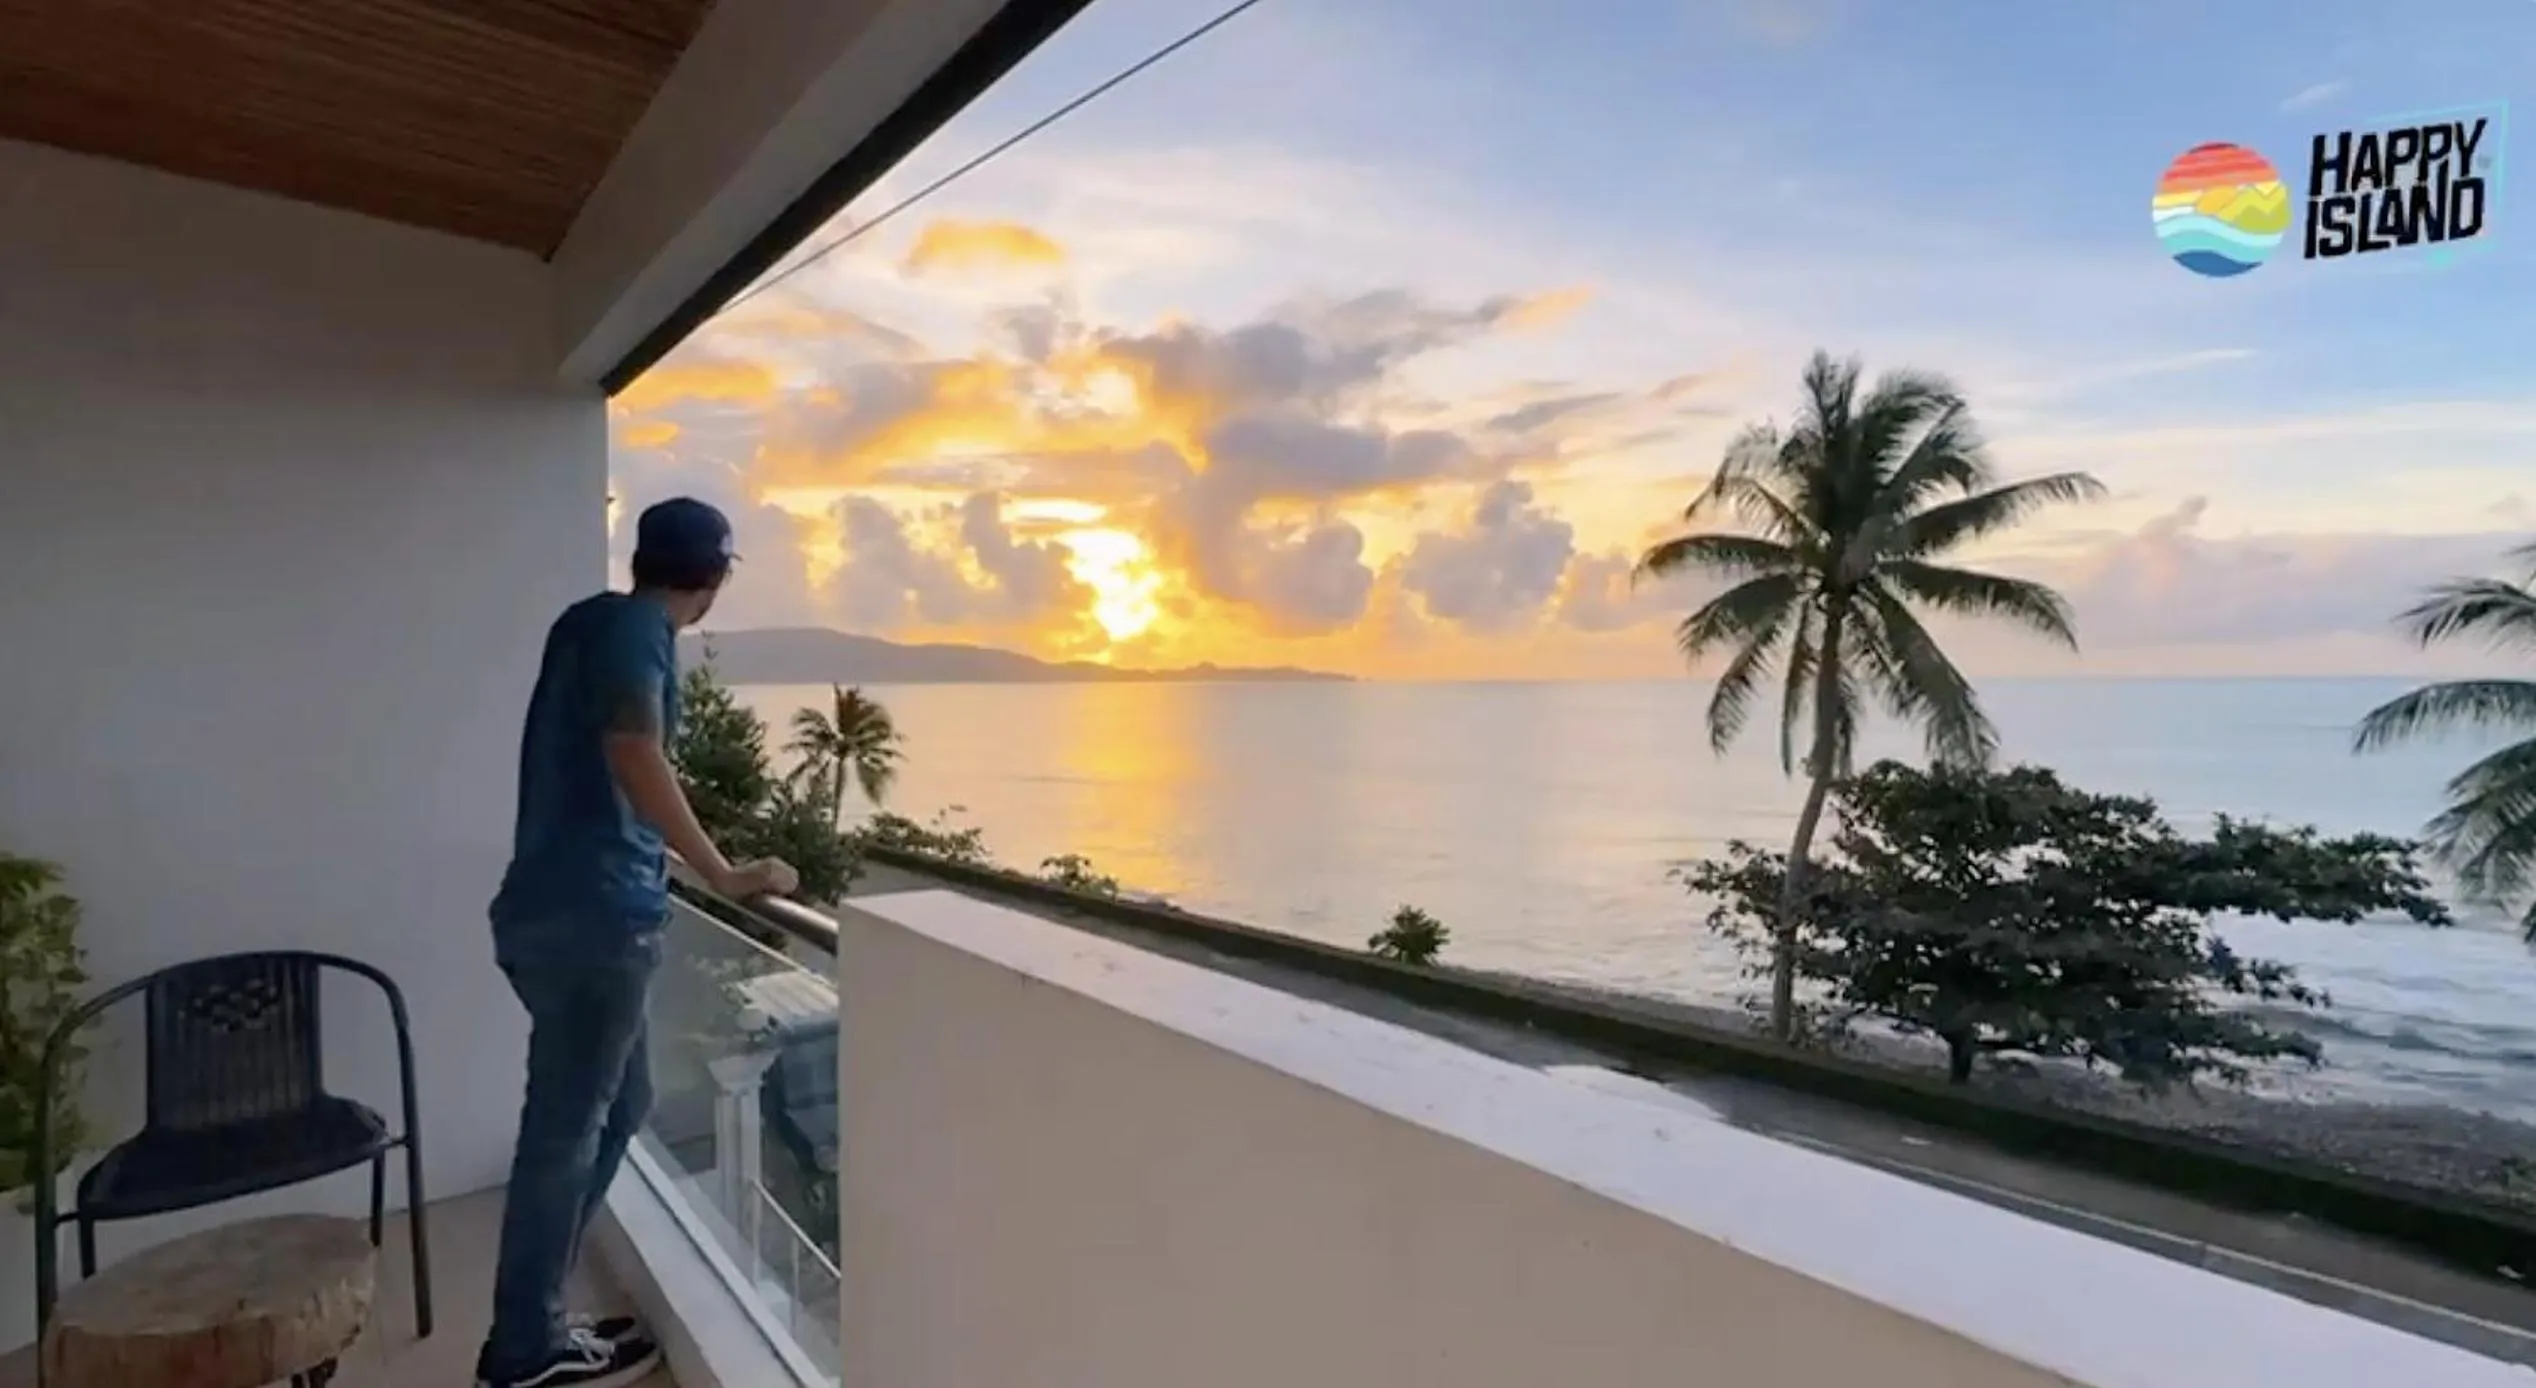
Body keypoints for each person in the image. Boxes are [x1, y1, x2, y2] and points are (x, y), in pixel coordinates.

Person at [475, 496, 799, 1388]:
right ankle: (523, 1348)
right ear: (715, 579)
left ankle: (537, 1320)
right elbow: (635, 750)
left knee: (619, 1108)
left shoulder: (584, 622)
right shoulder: (638, 634)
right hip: (596, 922)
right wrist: (725, 872)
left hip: (548, 912)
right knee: (567, 1132)